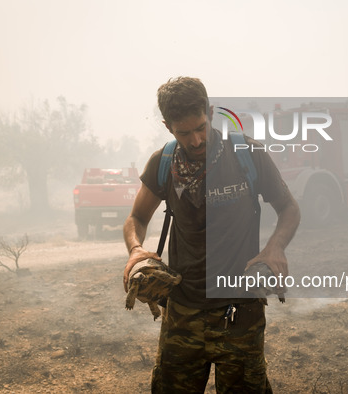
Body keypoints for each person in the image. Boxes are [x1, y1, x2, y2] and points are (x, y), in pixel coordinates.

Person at [123, 77, 300, 393]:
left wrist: (275, 247)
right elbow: (136, 217)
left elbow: (289, 208)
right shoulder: (163, 163)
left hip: (240, 312)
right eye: (183, 133)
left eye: (200, 128)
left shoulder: (246, 155)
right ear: (167, 126)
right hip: (182, 312)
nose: (194, 140)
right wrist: (136, 249)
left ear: (211, 112)